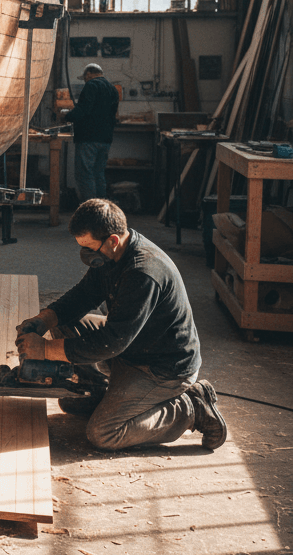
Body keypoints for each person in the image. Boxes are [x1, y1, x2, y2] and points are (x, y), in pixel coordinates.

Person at [14, 198, 227, 452]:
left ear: (112, 240)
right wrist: (43, 319)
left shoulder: (143, 272)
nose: (86, 255)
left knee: (103, 433)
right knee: (67, 329)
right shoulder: (113, 255)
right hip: (135, 344)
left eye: (90, 248)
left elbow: (112, 341)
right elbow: (84, 294)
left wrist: (45, 350)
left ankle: (192, 408)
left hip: (162, 367)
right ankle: (98, 390)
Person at [65, 63, 119, 203]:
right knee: (98, 174)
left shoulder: (91, 85)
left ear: (88, 74)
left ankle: (90, 209)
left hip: (89, 138)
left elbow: (83, 110)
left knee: (85, 174)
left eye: (84, 78)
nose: (85, 80)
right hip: (105, 139)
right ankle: (101, 208)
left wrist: (66, 116)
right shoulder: (113, 89)